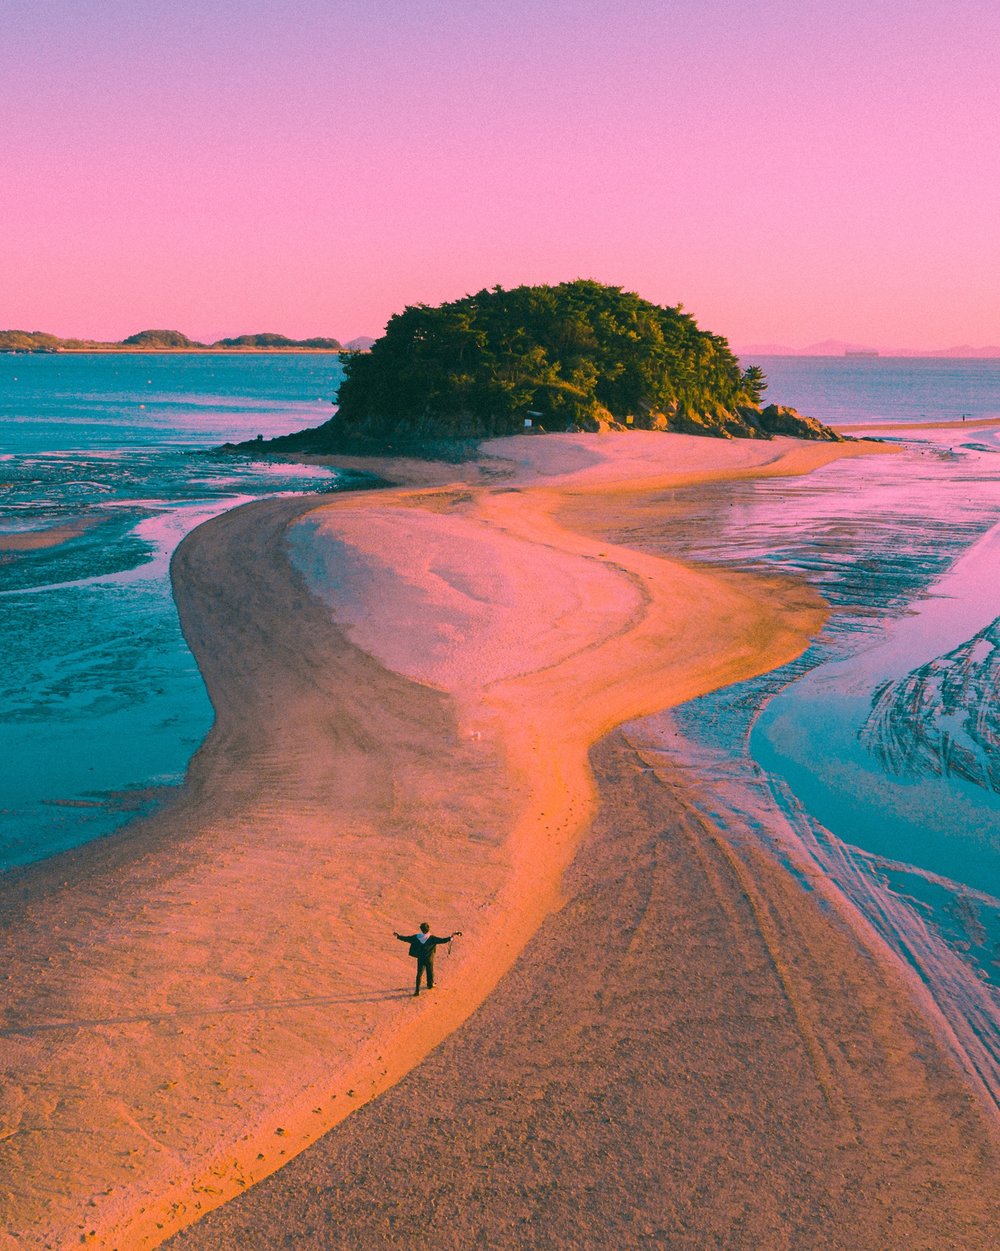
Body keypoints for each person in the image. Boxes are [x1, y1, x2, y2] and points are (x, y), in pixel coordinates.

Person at [393, 922, 461, 996]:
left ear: (421, 929)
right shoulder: (432, 938)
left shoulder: (416, 937)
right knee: (430, 972)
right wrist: (450, 938)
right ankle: (430, 984)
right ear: (428, 929)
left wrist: (398, 936)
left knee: (419, 974)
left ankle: (417, 991)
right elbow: (442, 940)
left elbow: (407, 939)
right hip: (429, 959)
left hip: (420, 958)